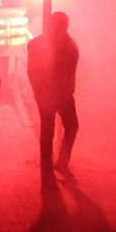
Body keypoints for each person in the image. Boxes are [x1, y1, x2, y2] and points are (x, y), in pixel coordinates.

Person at [27, 11, 80, 179]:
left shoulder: (36, 43)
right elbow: (71, 72)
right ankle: (59, 164)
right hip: (61, 93)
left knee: (48, 128)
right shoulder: (70, 44)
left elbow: (32, 71)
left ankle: (48, 165)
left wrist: (38, 91)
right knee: (70, 126)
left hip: (51, 93)